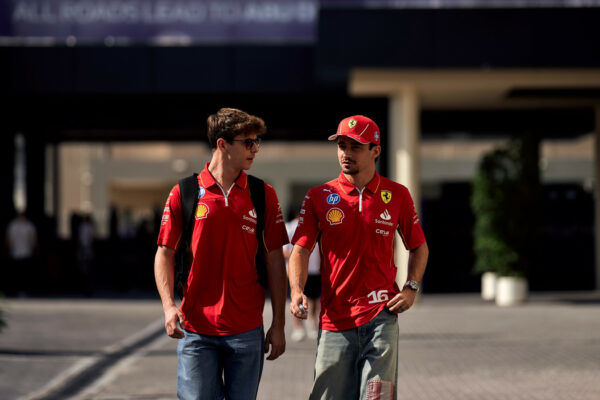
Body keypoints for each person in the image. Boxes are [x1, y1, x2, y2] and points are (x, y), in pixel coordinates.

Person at [288, 115, 429, 400]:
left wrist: (411, 287)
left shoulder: (397, 194)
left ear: (375, 150)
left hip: (382, 317)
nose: (346, 153)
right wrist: (296, 290)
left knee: (377, 397)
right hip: (334, 320)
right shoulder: (319, 196)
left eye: (355, 147)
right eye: (341, 146)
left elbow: (419, 246)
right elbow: (300, 250)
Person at [154, 108, 289, 400]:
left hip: (247, 330)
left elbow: (275, 260)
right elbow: (164, 253)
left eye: (257, 142)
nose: (255, 149)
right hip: (196, 330)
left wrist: (278, 324)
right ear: (222, 144)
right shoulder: (185, 192)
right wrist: (168, 306)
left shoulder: (263, 194)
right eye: (248, 142)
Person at [283, 207, 321, 342]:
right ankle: (298, 328)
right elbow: (284, 251)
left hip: (315, 270)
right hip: (296, 272)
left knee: (315, 299)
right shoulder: (290, 227)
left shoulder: (318, 227)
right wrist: (299, 255)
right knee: (296, 298)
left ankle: (312, 323)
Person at [4, 211, 37, 296]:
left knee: (23, 273)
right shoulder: (14, 225)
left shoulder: (28, 226)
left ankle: (23, 290)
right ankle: (18, 290)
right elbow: (9, 240)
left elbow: (33, 240)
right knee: (18, 273)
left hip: (25, 253)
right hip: (17, 252)